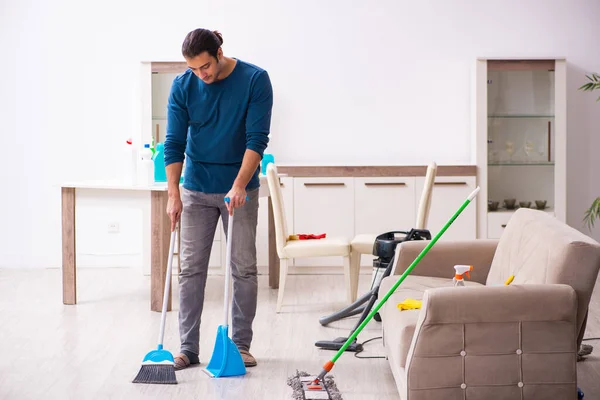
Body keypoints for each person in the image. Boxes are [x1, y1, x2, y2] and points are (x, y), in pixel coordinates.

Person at [163, 28, 273, 370]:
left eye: (206, 67)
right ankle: (188, 349)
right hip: (196, 188)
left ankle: (240, 346)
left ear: (220, 52)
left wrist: (240, 184)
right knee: (191, 270)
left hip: (238, 191)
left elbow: (257, 139)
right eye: (194, 69)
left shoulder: (255, 80)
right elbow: (173, 142)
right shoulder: (183, 86)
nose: (202, 75)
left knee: (243, 268)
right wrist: (173, 193)